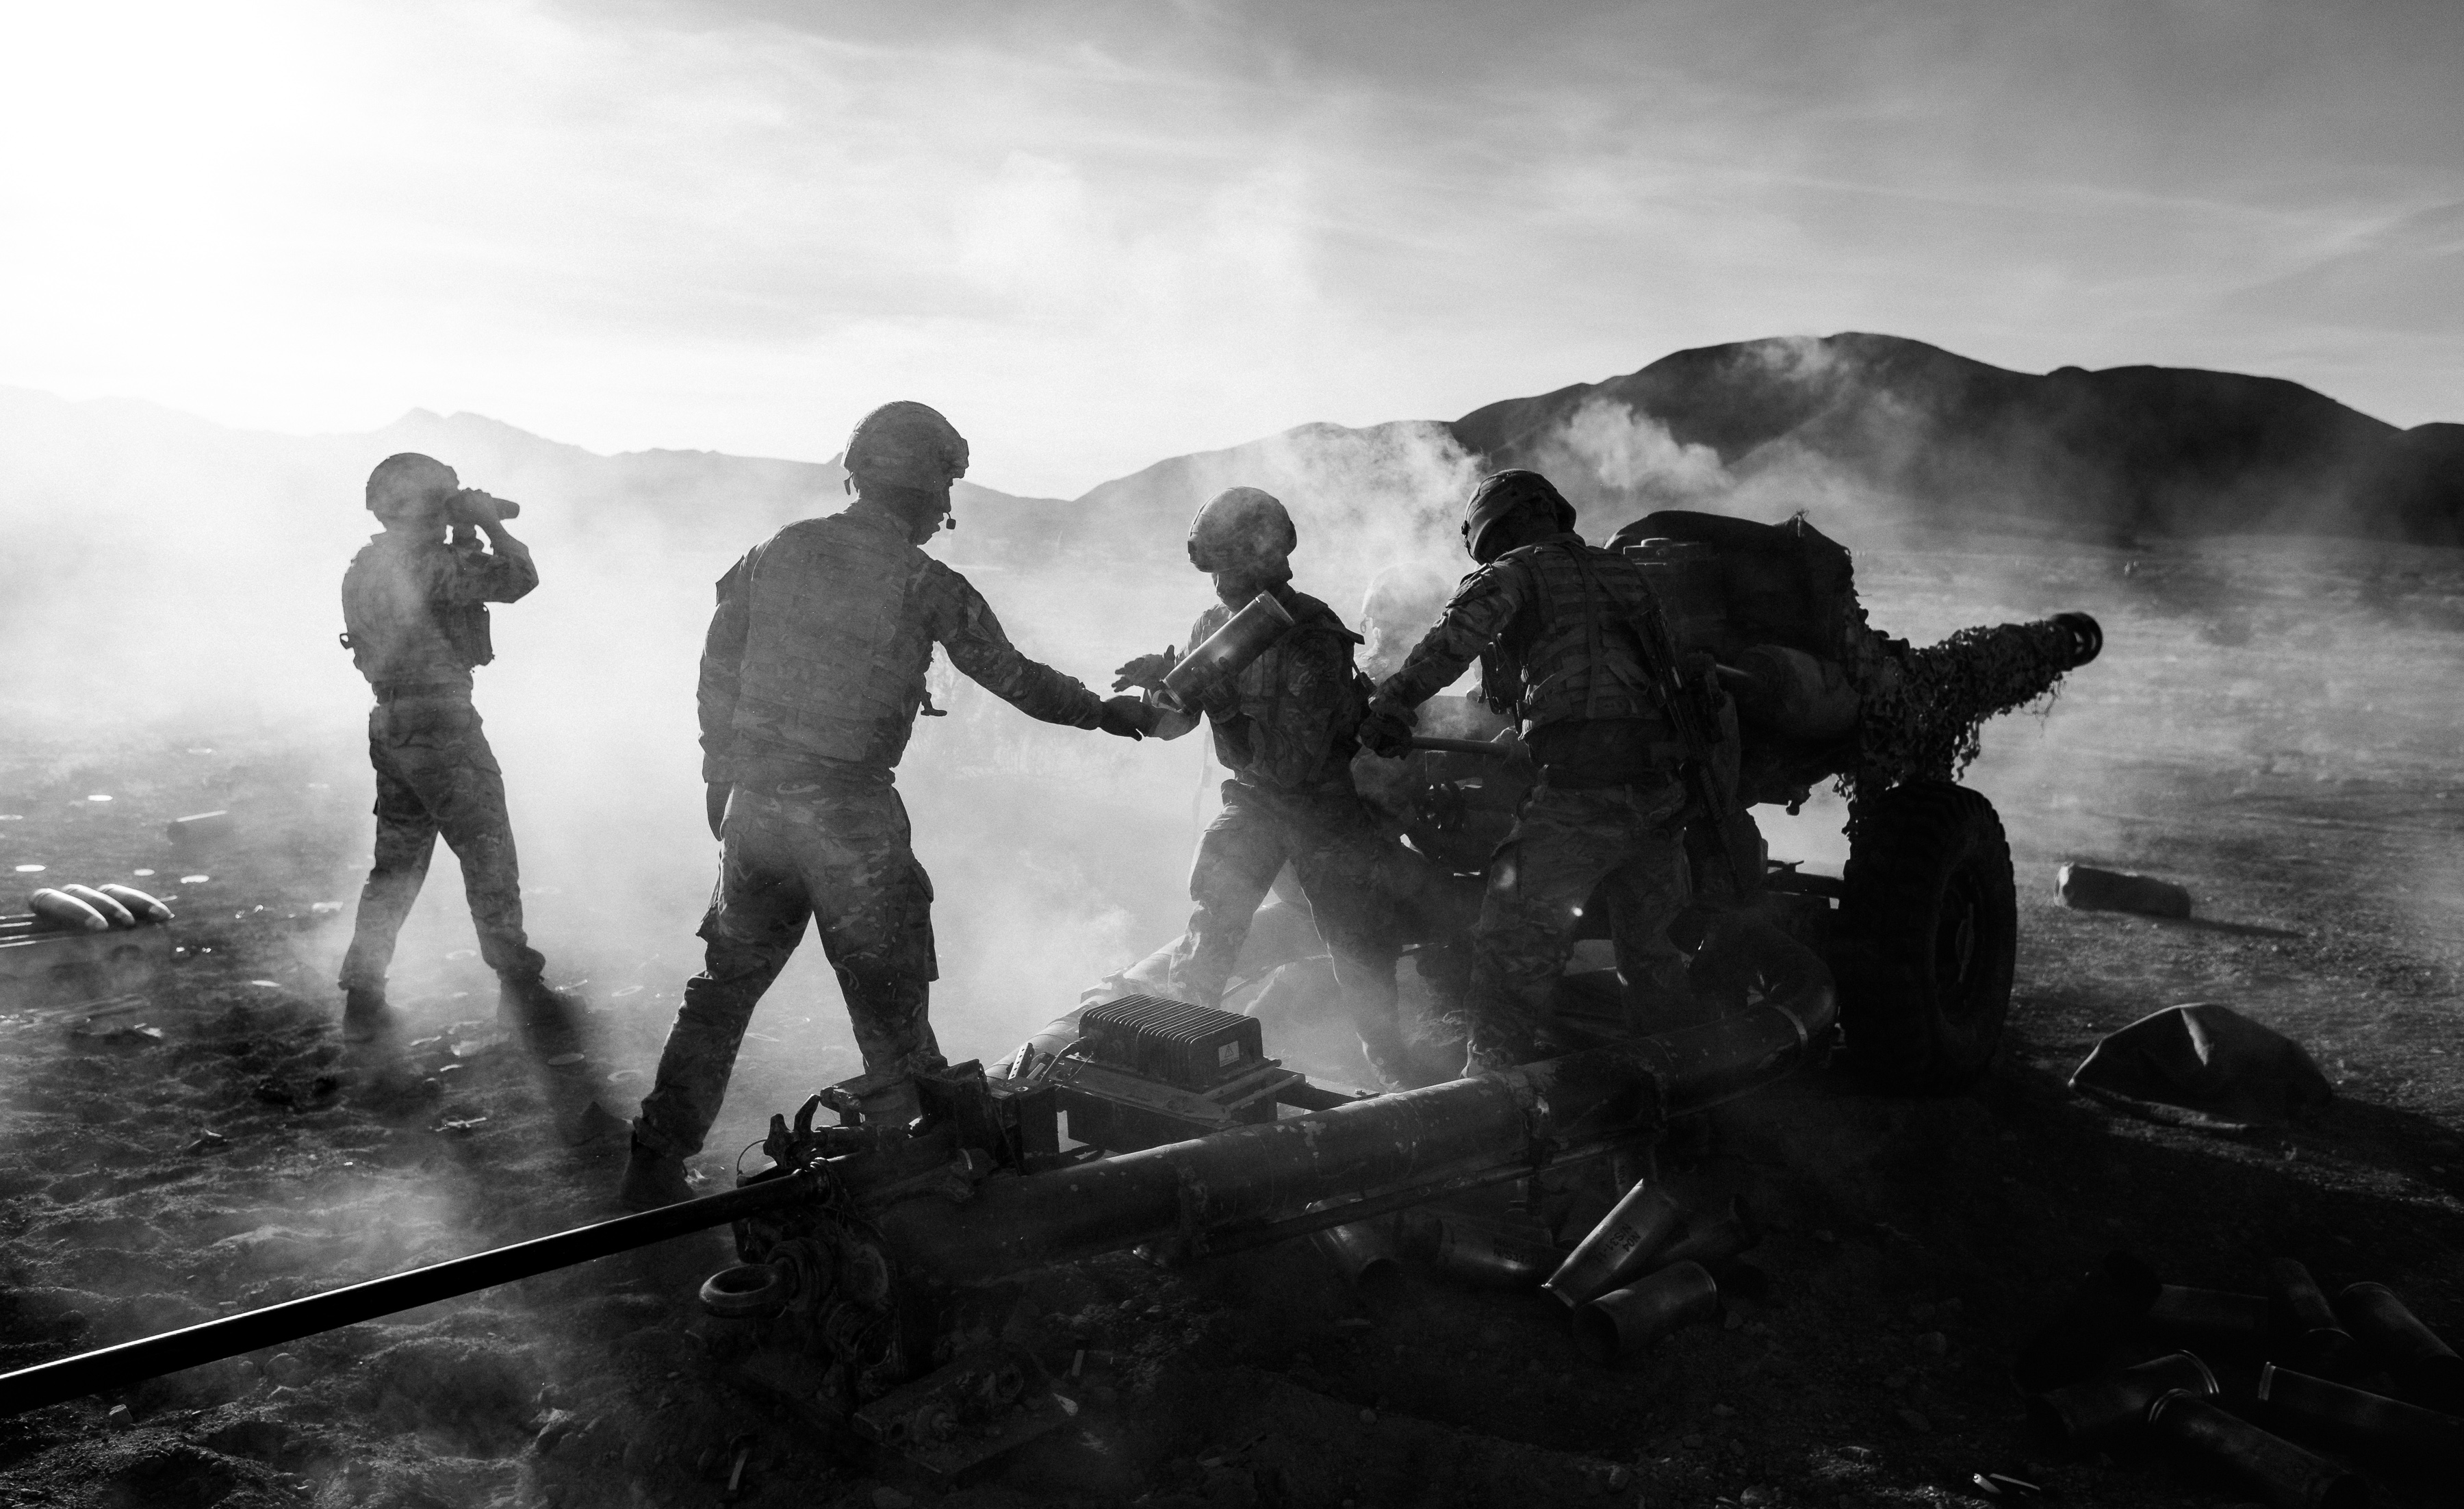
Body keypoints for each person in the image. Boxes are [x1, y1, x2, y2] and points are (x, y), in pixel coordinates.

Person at [621, 402, 1153, 1208]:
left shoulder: (775, 551)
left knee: (724, 986)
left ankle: (654, 1157)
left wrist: (718, 774)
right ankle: (930, 1188)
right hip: (849, 820)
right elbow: (1015, 678)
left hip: (755, 808)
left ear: (859, 470)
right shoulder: (924, 581)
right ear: (932, 487)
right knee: (893, 1012)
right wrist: (1105, 711)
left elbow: (716, 664)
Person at [1357, 468, 1704, 1072]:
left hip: (1578, 797)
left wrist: (1391, 703)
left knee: (1509, 960)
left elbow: (1452, 642)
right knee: (1652, 960)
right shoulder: (1626, 576)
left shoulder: (1514, 572)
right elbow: (1670, 677)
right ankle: (1686, 1099)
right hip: (1657, 795)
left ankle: (1491, 1111)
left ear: (1500, 529)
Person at [1113, 487, 1423, 1089]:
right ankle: (1184, 1059)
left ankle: (1394, 1072)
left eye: (1230, 567)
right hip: (1255, 801)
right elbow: (1175, 723)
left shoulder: (1314, 636)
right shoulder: (1215, 625)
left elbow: (1294, 764)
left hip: (1321, 807)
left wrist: (1224, 706)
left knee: (1355, 945)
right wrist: (1158, 692)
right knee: (1212, 922)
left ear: (1266, 557)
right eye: (1215, 568)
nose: (1220, 584)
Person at [337, 453, 571, 1045]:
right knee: (488, 853)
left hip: (393, 724)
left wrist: (464, 525)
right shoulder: (427, 564)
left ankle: (363, 991)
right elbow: (517, 580)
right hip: (442, 725)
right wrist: (491, 525)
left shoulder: (366, 567)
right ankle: (520, 986)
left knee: (396, 864)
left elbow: (453, 592)